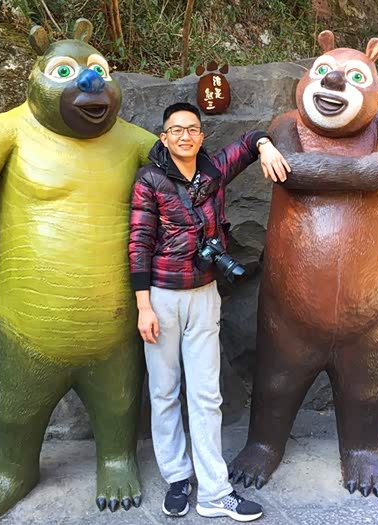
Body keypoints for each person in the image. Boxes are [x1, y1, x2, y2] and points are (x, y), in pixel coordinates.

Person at [128, 102, 289, 521]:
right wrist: (143, 306)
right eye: (176, 130)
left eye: (192, 129)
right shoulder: (149, 179)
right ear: (164, 137)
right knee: (164, 391)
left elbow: (249, 141)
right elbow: (139, 242)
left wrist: (267, 146)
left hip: (204, 294)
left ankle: (214, 492)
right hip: (161, 297)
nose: (185, 136)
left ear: (201, 136)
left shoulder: (214, 171)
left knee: (206, 394)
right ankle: (177, 478)